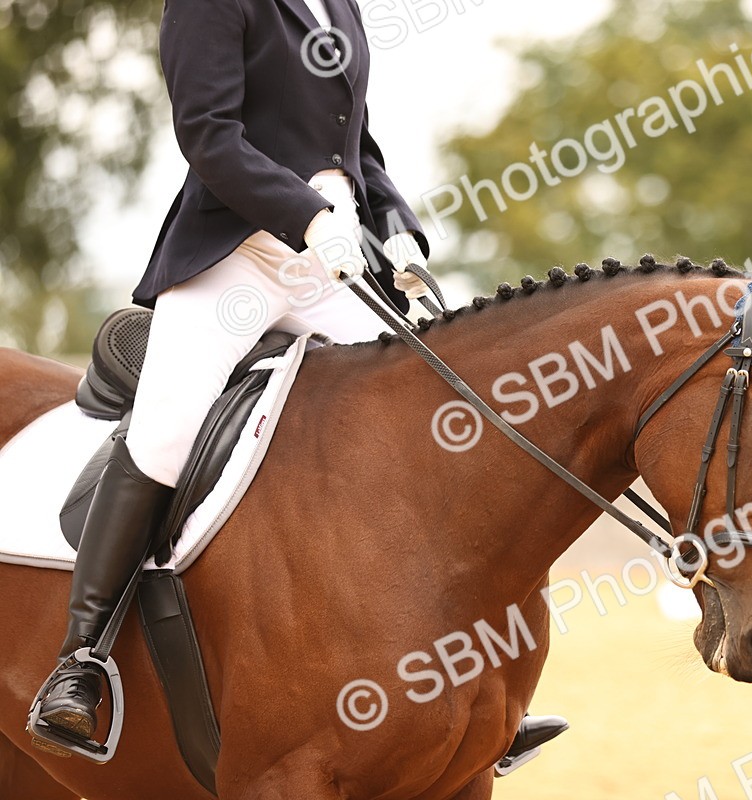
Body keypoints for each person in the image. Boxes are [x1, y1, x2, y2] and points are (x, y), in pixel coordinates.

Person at [30, 0, 565, 767]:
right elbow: (208, 136)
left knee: (433, 420)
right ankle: (81, 661)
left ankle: (476, 676)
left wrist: (397, 230)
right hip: (236, 254)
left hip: (332, 257)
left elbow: (356, 147)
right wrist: (308, 215)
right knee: (166, 429)